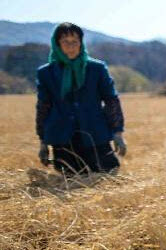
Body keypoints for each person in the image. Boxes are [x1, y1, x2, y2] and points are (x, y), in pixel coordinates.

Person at [36, 22, 126, 175]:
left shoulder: (96, 68)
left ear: (81, 43)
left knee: (108, 174)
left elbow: (111, 100)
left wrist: (118, 133)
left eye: (75, 41)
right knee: (70, 178)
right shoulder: (46, 73)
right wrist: (43, 141)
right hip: (62, 136)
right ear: (57, 44)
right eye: (65, 42)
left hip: (95, 133)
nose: (71, 46)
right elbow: (44, 107)